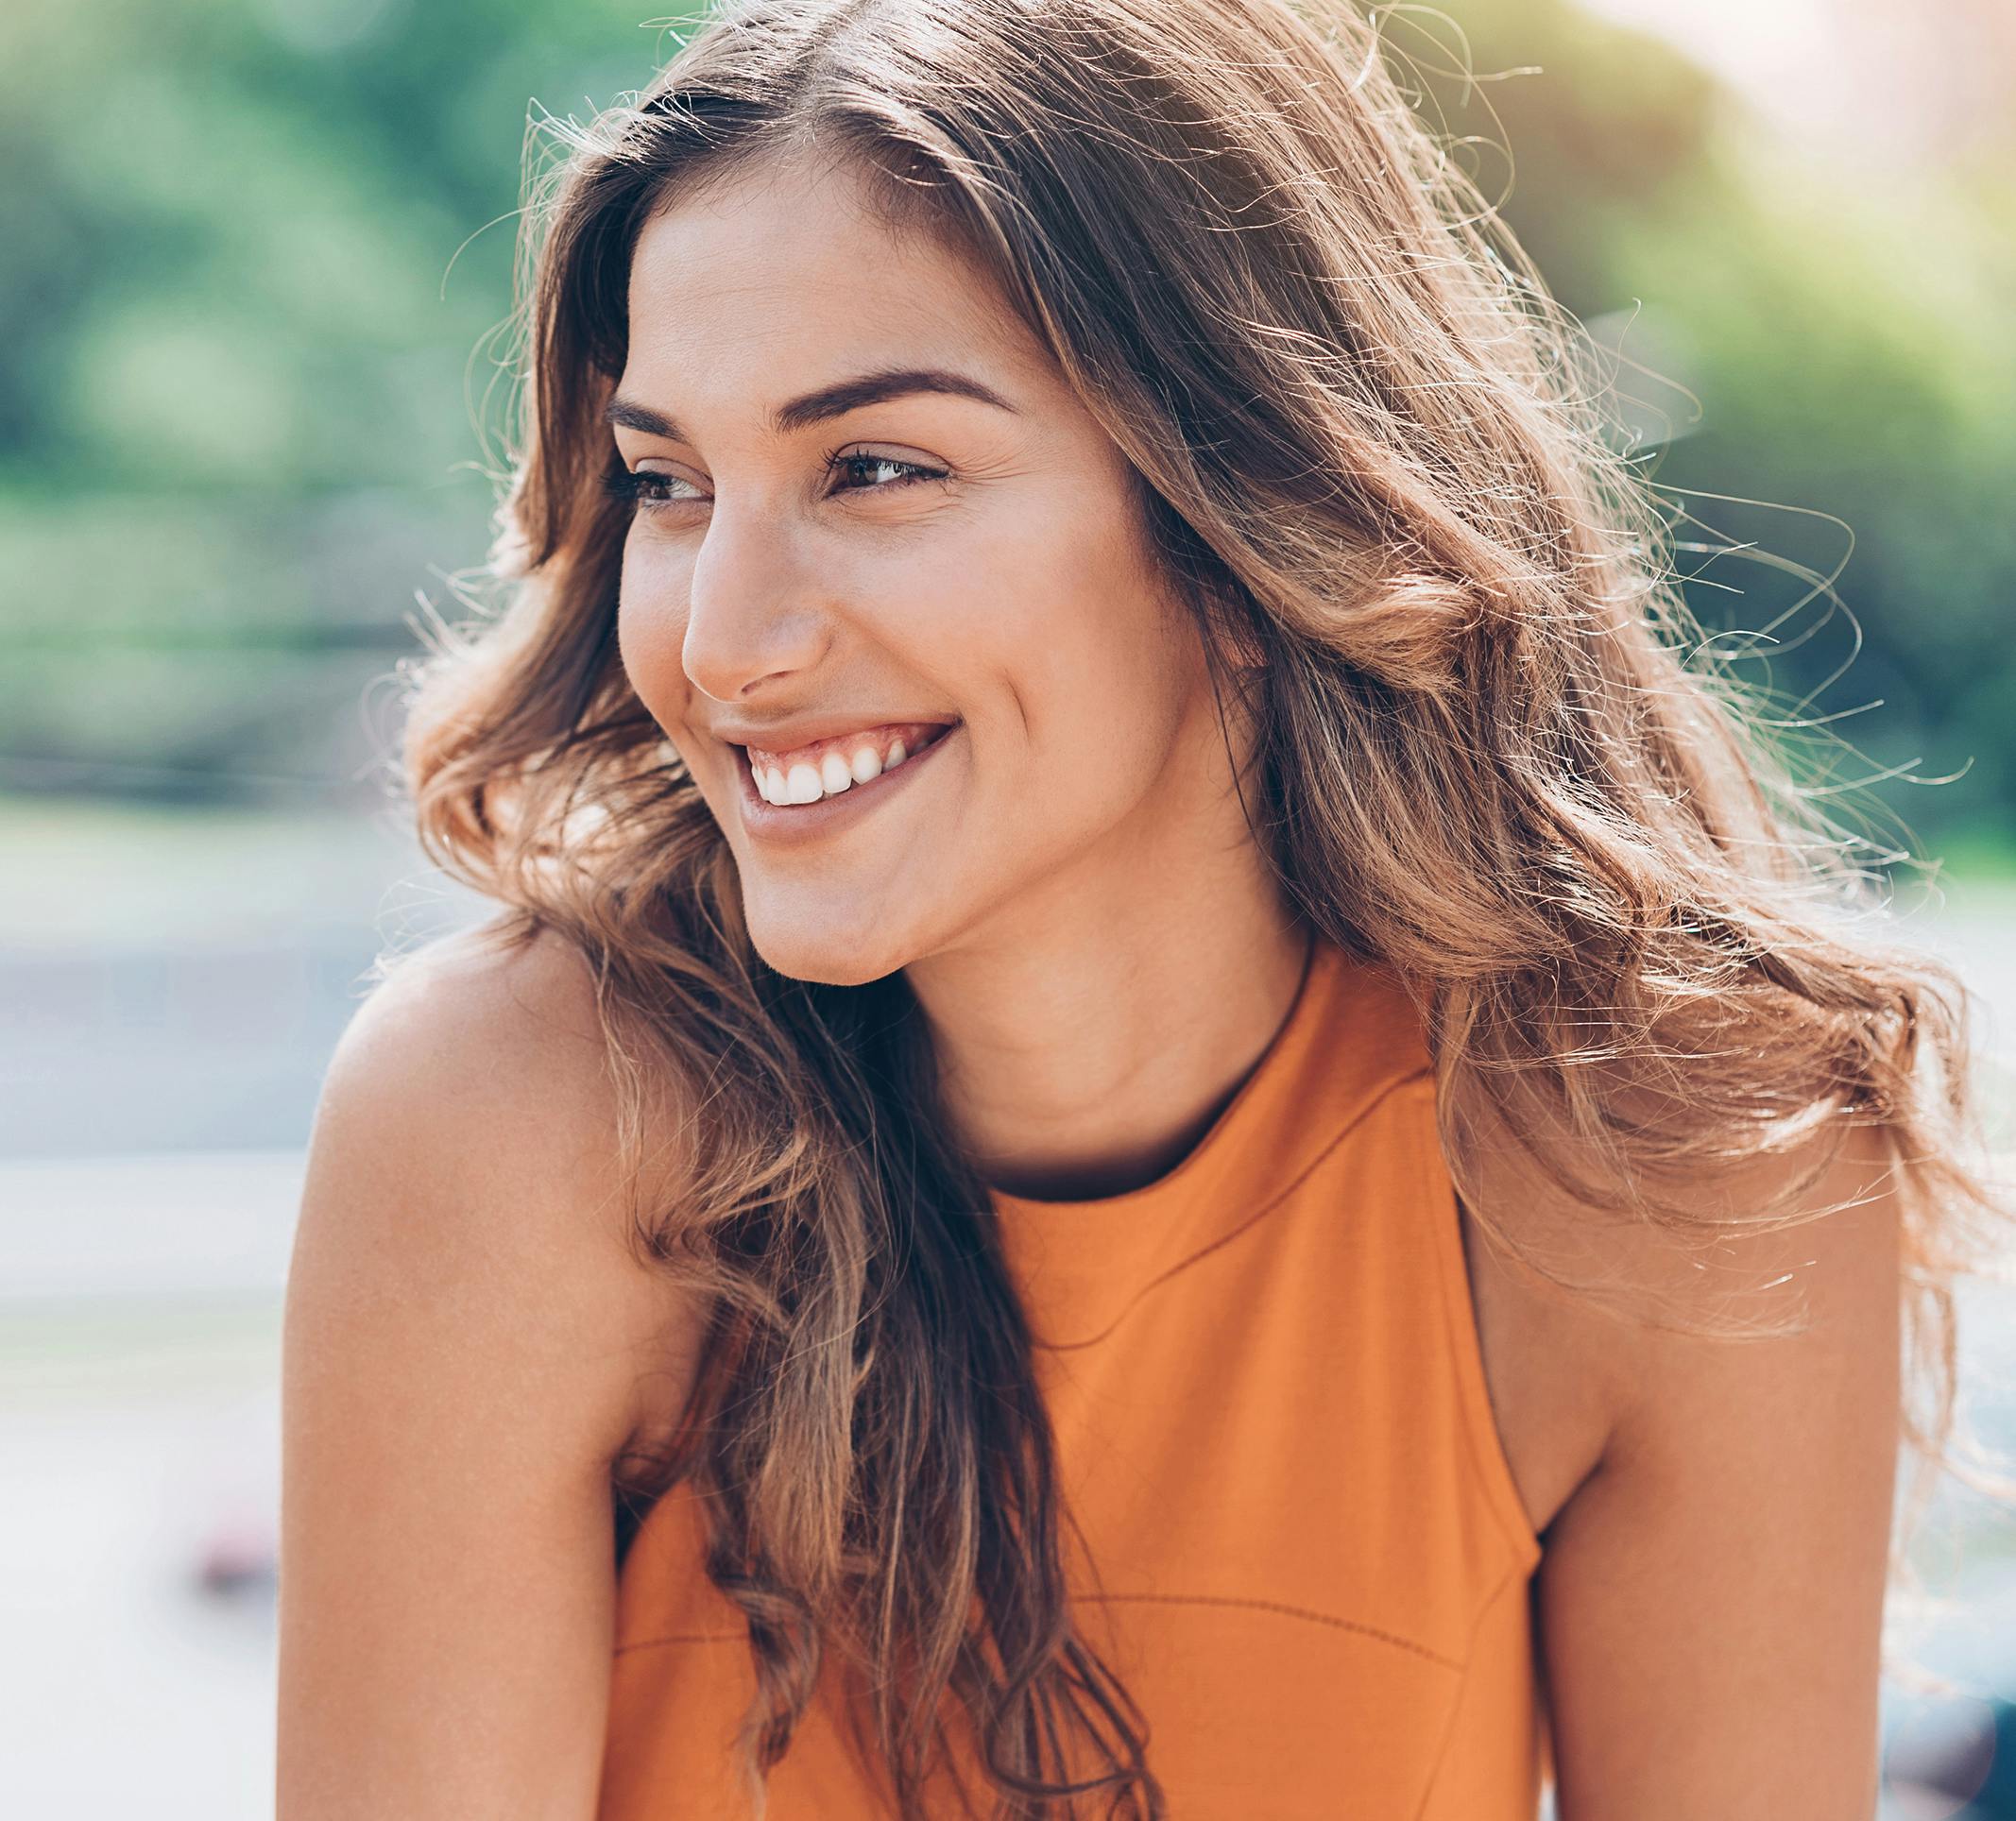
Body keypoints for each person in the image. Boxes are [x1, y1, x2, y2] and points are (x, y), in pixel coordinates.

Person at [275, 1, 2010, 1816]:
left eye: (877, 469)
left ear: (1252, 508)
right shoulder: (512, 1127)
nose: (722, 644)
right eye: (671, 486)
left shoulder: (1684, 1162)